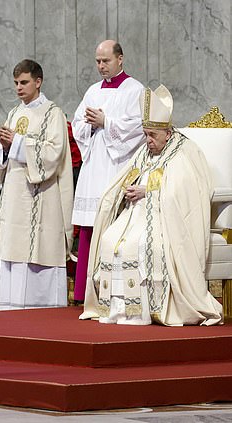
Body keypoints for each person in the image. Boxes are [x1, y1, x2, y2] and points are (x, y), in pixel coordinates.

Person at [80, 85, 223, 326]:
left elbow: (190, 191)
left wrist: (149, 192)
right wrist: (121, 192)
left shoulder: (185, 151)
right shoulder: (146, 151)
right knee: (110, 240)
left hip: (165, 218)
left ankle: (141, 312)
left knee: (138, 244)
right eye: (145, 134)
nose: (147, 141)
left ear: (167, 133)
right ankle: (116, 310)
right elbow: (127, 177)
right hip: (135, 213)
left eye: (152, 136)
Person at [0, 59, 74, 310]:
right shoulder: (14, 113)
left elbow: (53, 154)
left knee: (37, 255)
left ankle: (40, 313)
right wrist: (5, 147)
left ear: (38, 81)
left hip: (41, 196)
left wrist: (17, 143)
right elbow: (1, 152)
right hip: (15, 196)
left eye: (23, 82)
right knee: (13, 256)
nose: (18, 88)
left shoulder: (52, 113)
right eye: (15, 83)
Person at [71, 40, 146, 304]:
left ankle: (113, 294)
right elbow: (77, 124)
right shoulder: (92, 90)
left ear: (120, 59)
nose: (101, 66)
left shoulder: (135, 89)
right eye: (98, 61)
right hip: (95, 166)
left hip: (117, 166)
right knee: (91, 228)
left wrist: (107, 122)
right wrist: (89, 126)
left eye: (106, 61)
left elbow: (139, 128)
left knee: (114, 228)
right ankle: (85, 292)